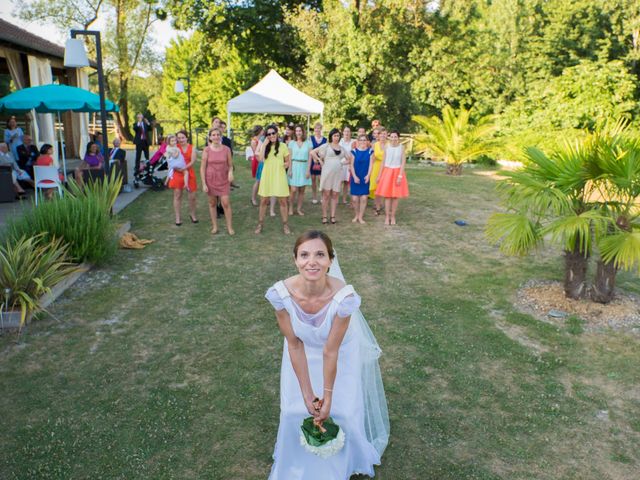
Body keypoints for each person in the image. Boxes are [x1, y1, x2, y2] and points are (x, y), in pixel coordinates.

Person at [265, 230, 389, 479]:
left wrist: (327, 397)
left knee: (341, 411)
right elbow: (294, 344)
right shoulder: (280, 295)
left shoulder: (344, 299)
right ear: (295, 260)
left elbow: (330, 350)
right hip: (301, 352)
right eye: (304, 255)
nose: (312, 261)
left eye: (320, 254)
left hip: (339, 352)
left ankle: (343, 459)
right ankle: (295, 461)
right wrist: (308, 393)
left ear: (331, 260)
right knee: (294, 410)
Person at [255, 125, 291, 235]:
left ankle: (285, 225)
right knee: (263, 201)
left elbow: (288, 161)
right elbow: (260, 159)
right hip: (267, 175)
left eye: (273, 133)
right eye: (269, 134)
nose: (271, 135)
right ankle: (260, 224)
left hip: (279, 175)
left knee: (283, 202)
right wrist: (264, 144)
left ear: (277, 133)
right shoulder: (264, 146)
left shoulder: (283, 146)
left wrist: (286, 164)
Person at [310, 128, 350, 225]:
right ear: (331, 136)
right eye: (334, 135)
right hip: (327, 173)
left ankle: (332, 216)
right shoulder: (326, 146)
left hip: (337, 174)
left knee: (335, 194)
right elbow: (312, 152)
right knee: (326, 194)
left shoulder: (342, 148)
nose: (336, 137)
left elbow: (349, 159)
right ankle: (324, 216)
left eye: (337, 136)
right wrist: (319, 160)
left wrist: (341, 163)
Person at [201, 128, 235, 235]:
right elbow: (202, 168)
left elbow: (230, 165)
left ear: (221, 136)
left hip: (223, 178)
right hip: (210, 179)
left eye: (218, 135)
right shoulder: (206, 150)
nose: (216, 137)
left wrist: (230, 172)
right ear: (210, 137)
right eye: (213, 135)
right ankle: (215, 226)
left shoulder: (226, 149)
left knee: (225, 202)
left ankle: (229, 227)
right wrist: (203, 183)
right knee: (212, 203)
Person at [375, 130, 409, 225]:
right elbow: (383, 162)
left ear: (398, 138)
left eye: (395, 137)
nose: (394, 138)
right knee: (387, 196)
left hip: (397, 171)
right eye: (392, 137)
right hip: (387, 172)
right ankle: (387, 216)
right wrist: (379, 175)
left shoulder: (402, 148)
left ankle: (393, 216)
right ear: (389, 137)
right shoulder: (387, 147)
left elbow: (403, 162)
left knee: (395, 196)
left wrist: (400, 176)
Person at [167, 130, 198, 226]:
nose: (181, 140)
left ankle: (192, 214)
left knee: (192, 196)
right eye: (179, 138)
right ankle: (178, 217)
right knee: (177, 195)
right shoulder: (175, 147)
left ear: (186, 138)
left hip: (189, 172)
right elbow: (169, 159)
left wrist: (184, 168)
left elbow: (193, 161)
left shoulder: (192, 148)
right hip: (177, 173)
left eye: (182, 137)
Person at [287, 124, 312, 216]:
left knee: (301, 190)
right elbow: (289, 157)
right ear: (295, 132)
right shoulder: (291, 143)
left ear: (303, 132)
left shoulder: (308, 143)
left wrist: (308, 170)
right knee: (293, 190)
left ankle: (298, 209)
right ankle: (290, 208)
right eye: (297, 131)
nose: (298, 132)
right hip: (294, 166)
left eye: (300, 131)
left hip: (304, 166)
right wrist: (290, 169)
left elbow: (310, 157)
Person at [349, 135, 374, 224]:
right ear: (358, 141)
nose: (363, 142)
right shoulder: (354, 151)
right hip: (356, 176)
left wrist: (368, 175)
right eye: (361, 140)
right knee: (355, 199)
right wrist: (354, 176)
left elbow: (371, 165)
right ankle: (356, 214)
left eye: (364, 140)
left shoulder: (370, 151)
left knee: (363, 198)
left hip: (365, 176)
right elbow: (351, 165)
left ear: (367, 141)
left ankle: (360, 216)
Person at [369, 127, 386, 215]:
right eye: (380, 134)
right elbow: (372, 157)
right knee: (376, 187)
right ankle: (377, 206)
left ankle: (382, 204)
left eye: (384, 134)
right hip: (376, 167)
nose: (382, 136)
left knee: (384, 187)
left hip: (386, 168)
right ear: (378, 136)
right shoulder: (375, 145)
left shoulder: (389, 145)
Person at [309, 122, 326, 204]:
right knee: (313, 180)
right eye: (316, 128)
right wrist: (314, 159)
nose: (317, 130)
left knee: (320, 180)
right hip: (312, 161)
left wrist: (320, 159)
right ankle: (314, 196)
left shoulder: (325, 139)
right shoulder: (310, 138)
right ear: (314, 129)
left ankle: (322, 197)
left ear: (321, 129)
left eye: (319, 128)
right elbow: (310, 150)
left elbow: (325, 151)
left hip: (321, 161)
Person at [339, 127, 355, 205]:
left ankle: (344, 199)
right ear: (343, 132)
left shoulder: (353, 142)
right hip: (340, 164)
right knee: (338, 182)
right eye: (345, 131)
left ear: (350, 133)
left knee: (346, 182)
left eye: (348, 131)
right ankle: (335, 198)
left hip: (349, 164)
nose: (347, 133)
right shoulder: (339, 141)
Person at [249, 125, 264, 206]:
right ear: (259, 131)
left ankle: (263, 197)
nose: (263, 131)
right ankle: (253, 198)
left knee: (263, 180)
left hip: (262, 160)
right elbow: (256, 154)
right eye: (262, 130)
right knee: (258, 180)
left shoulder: (262, 139)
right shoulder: (254, 141)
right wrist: (262, 162)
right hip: (258, 161)